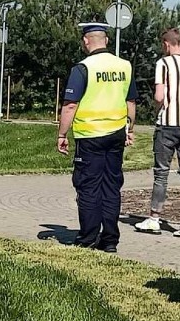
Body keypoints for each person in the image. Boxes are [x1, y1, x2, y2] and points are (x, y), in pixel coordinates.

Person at [57, 23, 138, 254]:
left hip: (90, 136)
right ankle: (110, 239)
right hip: (115, 134)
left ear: (86, 41)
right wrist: (129, 129)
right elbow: (130, 102)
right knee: (111, 186)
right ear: (107, 40)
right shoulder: (124, 66)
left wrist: (62, 134)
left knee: (88, 187)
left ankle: (88, 238)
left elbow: (70, 104)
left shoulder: (83, 68)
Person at [134, 28, 180, 238]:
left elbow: (158, 96)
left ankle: (154, 217)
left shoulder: (163, 64)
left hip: (168, 124)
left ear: (166, 44)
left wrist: (160, 106)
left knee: (162, 172)